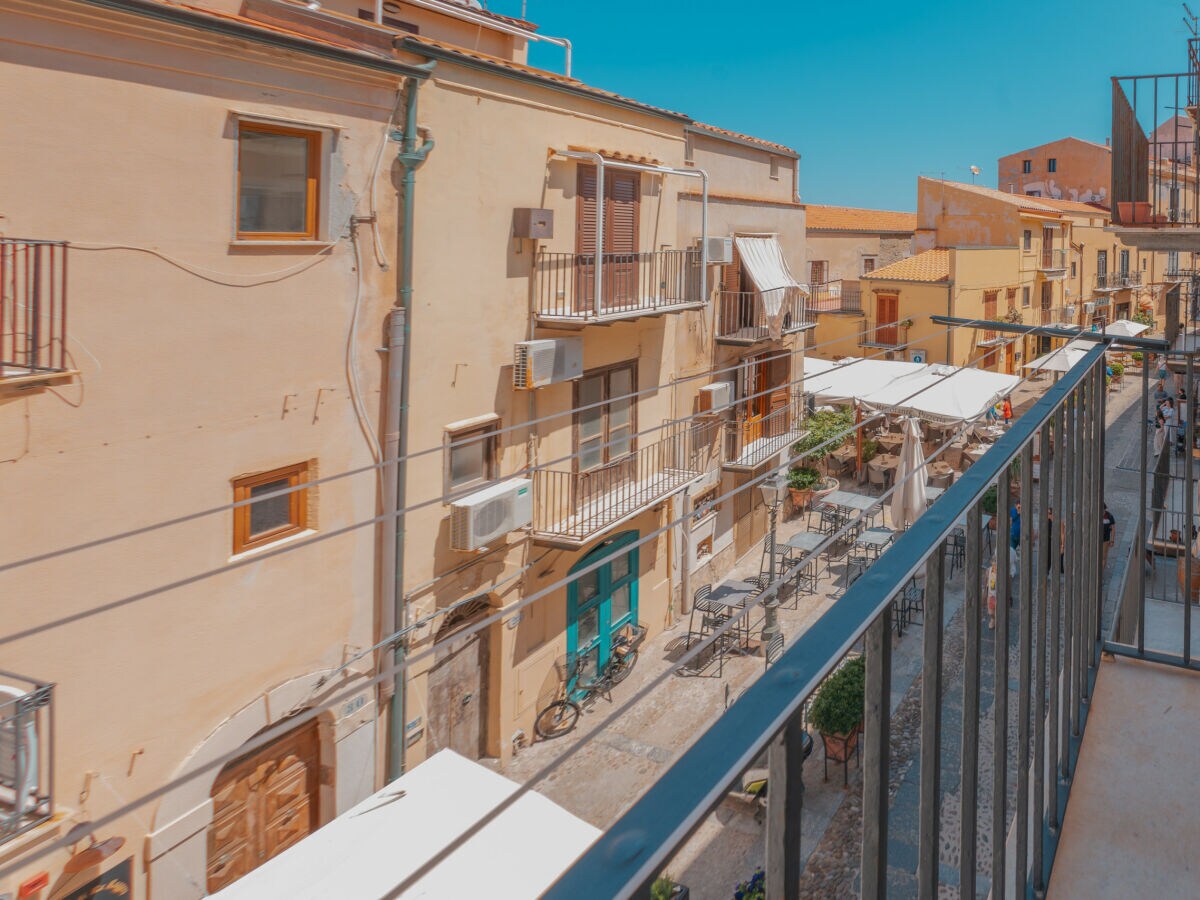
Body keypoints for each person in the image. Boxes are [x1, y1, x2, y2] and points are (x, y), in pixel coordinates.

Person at [1102, 504, 1116, 570]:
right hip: (1094, 540)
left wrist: (1112, 541)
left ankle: (1100, 574)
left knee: (1103, 557)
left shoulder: (1109, 516)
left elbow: (1113, 529)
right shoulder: (1094, 515)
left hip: (1105, 540)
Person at [986, 560, 998, 630]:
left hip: (998, 596)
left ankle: (994, 621)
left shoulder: (1002, 573)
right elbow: (987, 581)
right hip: (991, 595)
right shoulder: (989, 570)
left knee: (997, 611)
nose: (994, 567)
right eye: (993, 565)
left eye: (996, 566)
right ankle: (993, 619)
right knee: (990, 612)